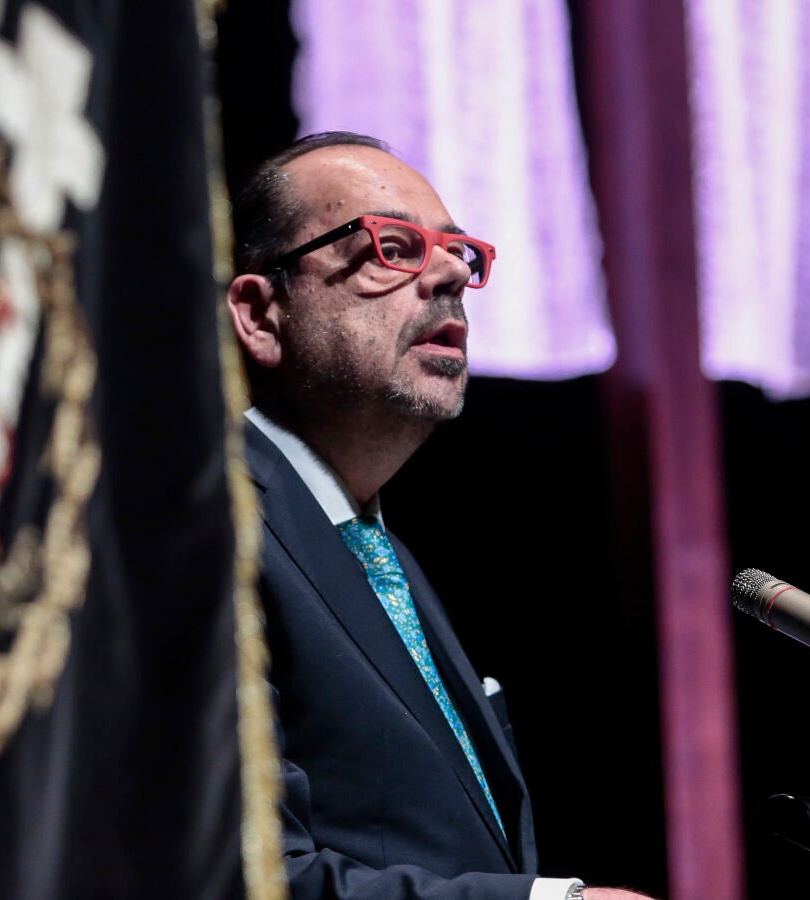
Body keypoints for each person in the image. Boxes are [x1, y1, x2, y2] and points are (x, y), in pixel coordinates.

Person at [225, 131, 657, 900]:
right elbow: (242, 871)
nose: (453, 271)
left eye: (459, 252)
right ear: (261, 314)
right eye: (392, 247)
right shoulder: (209, 530)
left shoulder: (380, 555)